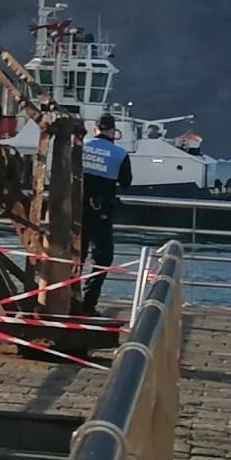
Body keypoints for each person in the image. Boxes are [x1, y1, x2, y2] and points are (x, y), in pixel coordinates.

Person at [80, 113, 132, 314]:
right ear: (113, 131)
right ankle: (88, 304)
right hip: (101, 212)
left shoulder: (81, 146)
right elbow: (126, 182)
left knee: (75, 256)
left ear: (95, 129)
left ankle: (66, 297)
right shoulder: (119, 154)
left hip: (77, 209)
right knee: (102, 258)